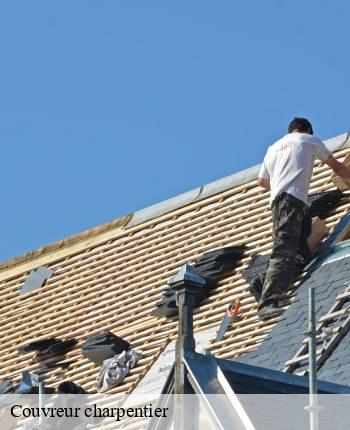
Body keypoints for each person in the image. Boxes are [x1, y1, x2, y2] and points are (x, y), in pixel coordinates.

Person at [256, 117, 350, 320]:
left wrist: (281, 183)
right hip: (291, 200)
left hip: (284, 202)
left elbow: (262, 181)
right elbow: (336, 166)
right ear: (306, 130)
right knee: (284, 249)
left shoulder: (273, 148)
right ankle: (267, 302)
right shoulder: (308, 140)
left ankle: (263, 281)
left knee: (303, 249)